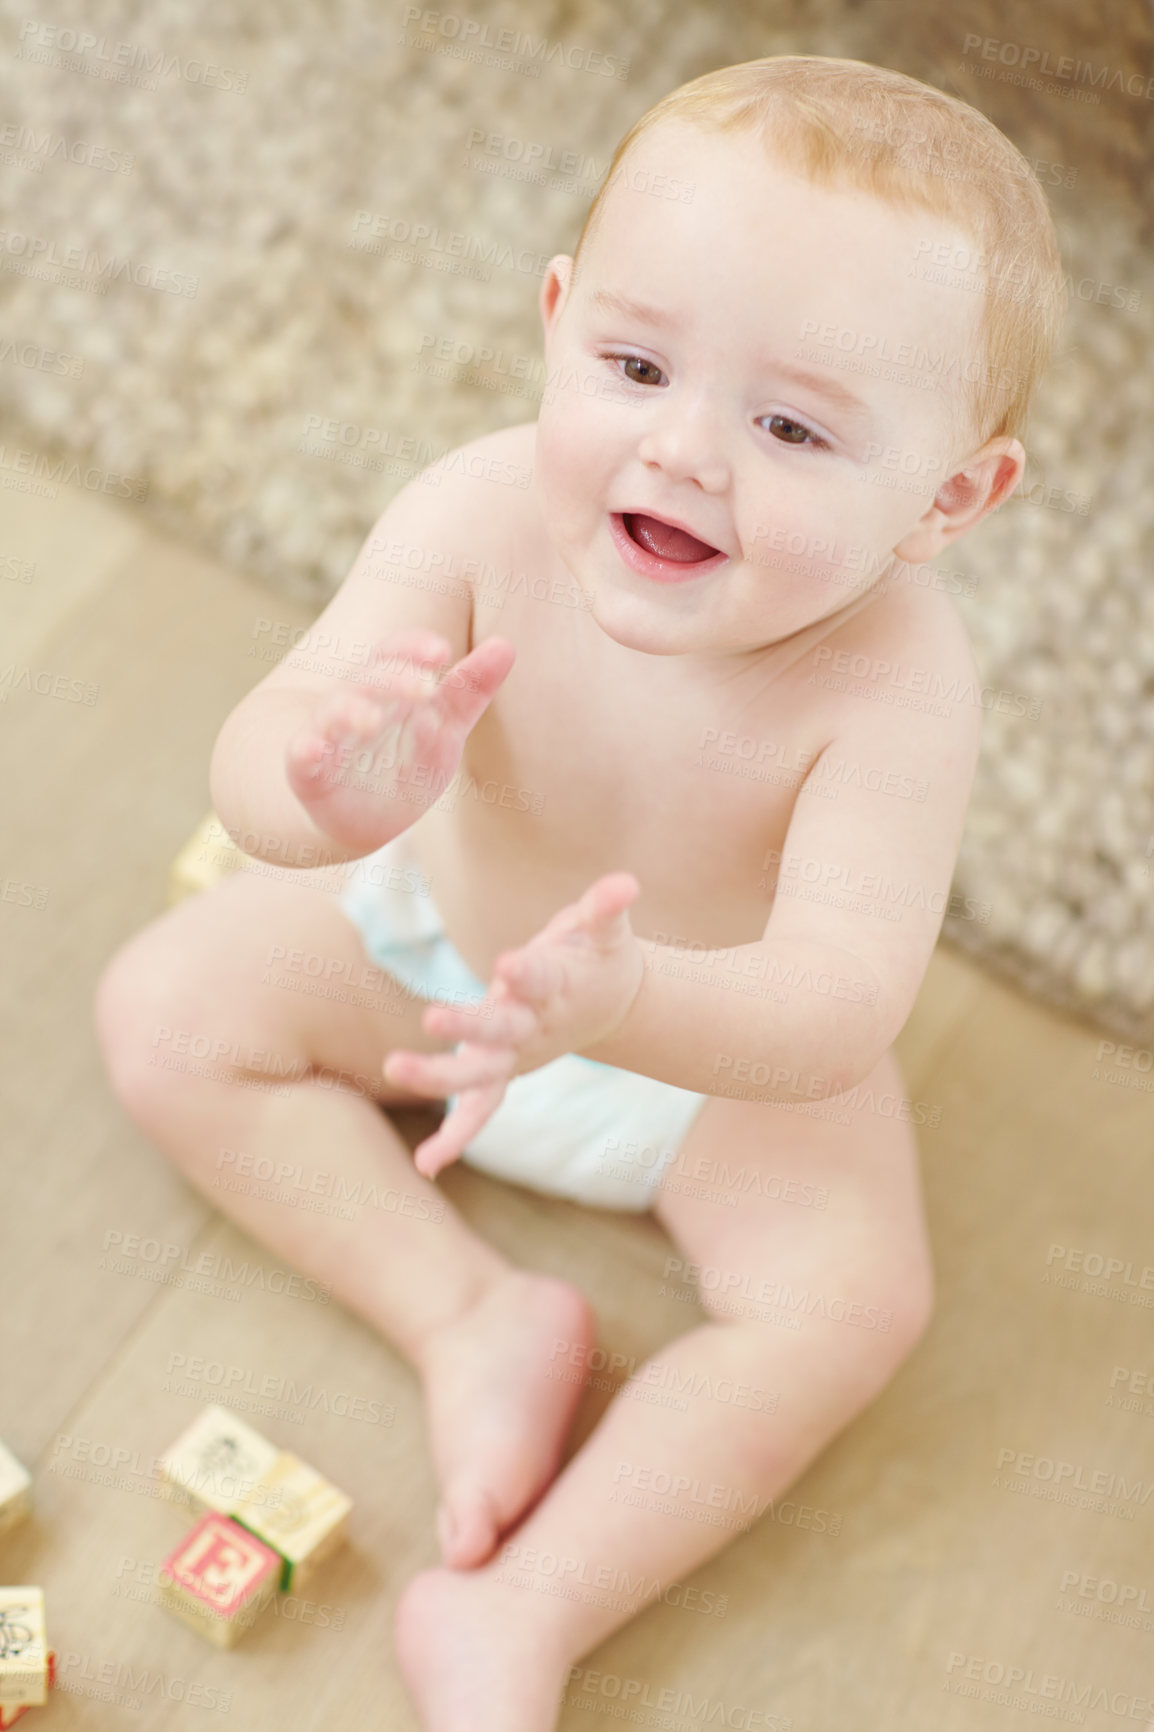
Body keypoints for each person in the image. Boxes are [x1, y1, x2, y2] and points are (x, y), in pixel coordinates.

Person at [96, 55, 1065, 1731]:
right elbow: (260, 764)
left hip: (712, 1056)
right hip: (434, 957)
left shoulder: (894, 690)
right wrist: (327, 790)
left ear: (950, 497)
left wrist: (629, 1006)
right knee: (163, 1012)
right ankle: (466, 1316)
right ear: (554, 319)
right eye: (631, 363)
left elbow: (838, 1002)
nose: (683, 450)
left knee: (851, 1305)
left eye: (789, 426)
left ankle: (522, 1613)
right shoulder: (477, 508)